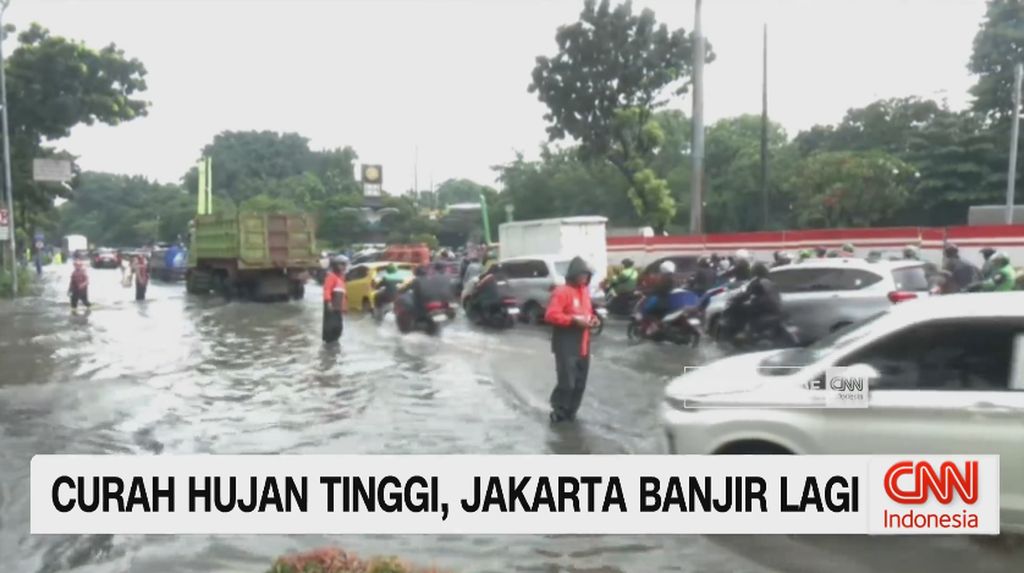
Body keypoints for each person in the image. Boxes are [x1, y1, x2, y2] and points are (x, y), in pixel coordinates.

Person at [544, 256, 596, 423]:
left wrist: (592, 319)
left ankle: (571, 411)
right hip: (566, 343)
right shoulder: (562, 292)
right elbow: (551, 315)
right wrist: (573, 321)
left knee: (580, 383)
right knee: (568, 381)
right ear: (574, 274)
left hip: (583, 343)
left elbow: (588, 313)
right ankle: (558, 409)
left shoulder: (584, 292)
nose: (585, 278)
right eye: (582, 275)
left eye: (587, 275)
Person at [322, 255, 348, 343]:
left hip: (338, 308)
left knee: (338, 328)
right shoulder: (331, 277)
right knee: (331, 329)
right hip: (332, 307)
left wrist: (344, 308)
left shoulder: (341, 278)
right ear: (335, 265)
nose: (344, 267)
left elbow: (343, 295)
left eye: (345, 265)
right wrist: (328, 302)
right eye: (342, 265)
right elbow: (327, 290)